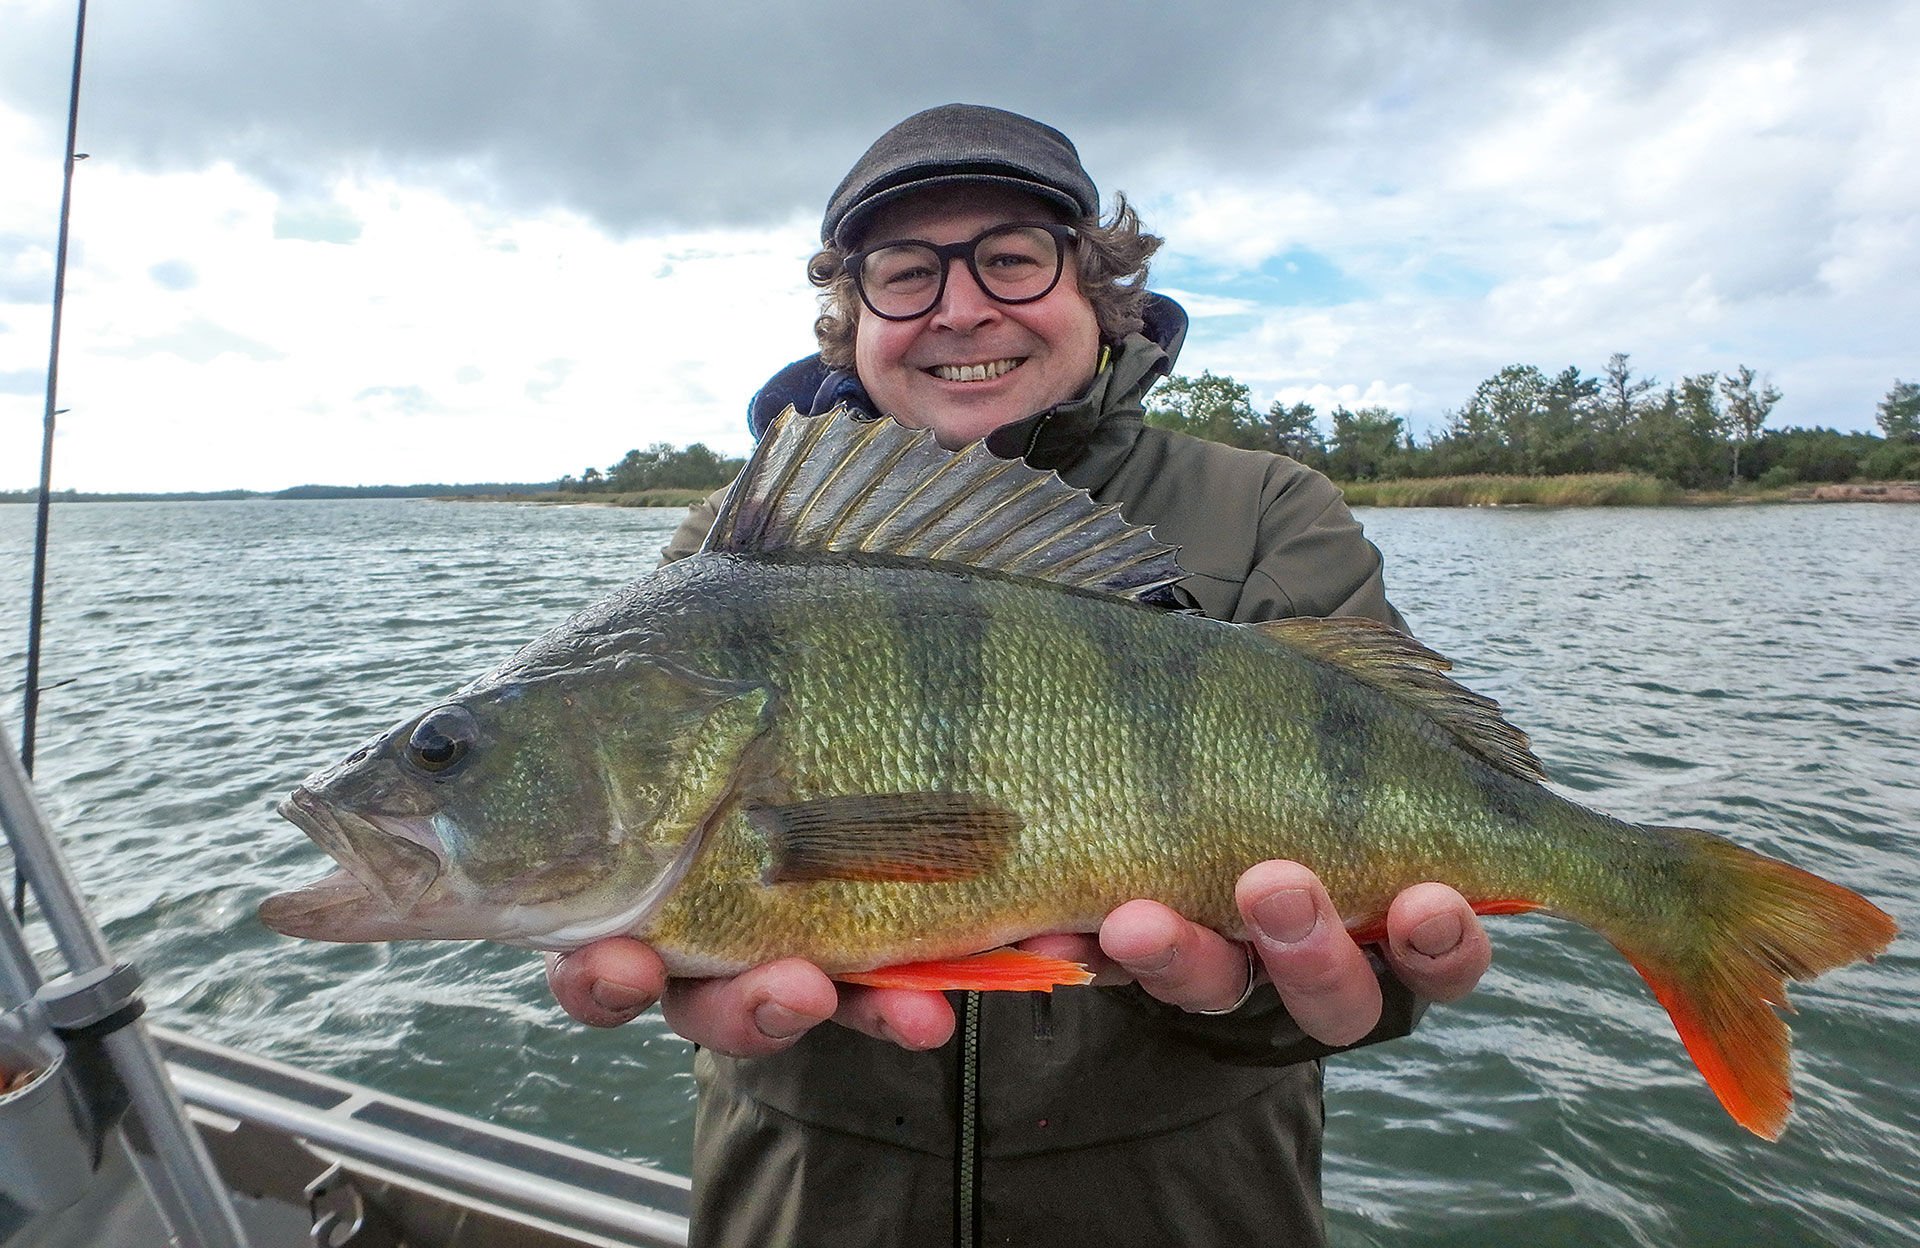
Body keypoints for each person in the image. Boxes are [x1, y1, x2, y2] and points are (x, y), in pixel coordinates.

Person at [548, 104, 1492, 1246]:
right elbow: (661, 881)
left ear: (1099, 291)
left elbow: (1385, 928)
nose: (959, 307)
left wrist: (1276, 998)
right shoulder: (735, 548)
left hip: (1188, 1206)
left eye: (1009, 259)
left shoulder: (1265, 508)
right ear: (852, 320)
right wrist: (669, 971)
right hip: (810, 1201)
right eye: (904, 273)